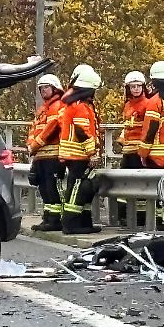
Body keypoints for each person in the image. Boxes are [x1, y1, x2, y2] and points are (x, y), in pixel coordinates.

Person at [57, 67, 103, 235]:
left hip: (73, 154)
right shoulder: (81, 107)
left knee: (81, 187)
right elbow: (81, 131)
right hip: (78, 155)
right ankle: (71, 224)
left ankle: (84, 223)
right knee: (78, 188)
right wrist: (92, 152)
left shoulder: (74, 104)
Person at [25, 74, 65, 232]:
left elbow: (51, 128)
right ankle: (48, 218)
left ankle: (55, 220)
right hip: (40, 155)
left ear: (55, 88)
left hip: (52, 156)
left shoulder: (57, 106)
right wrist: (30, 145)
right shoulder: (43, 109)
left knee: (52, 189)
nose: (43, 91)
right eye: (41, 88)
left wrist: (35, 144)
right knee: (44, 189)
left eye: (46, 87)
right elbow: (34, 129)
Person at [118, 71, 150, 170]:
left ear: (143, 87)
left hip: (139, 150)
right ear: (129, 89)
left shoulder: (148, 103)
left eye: (138, 86)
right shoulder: (127, 105)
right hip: (127, 149)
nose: (136, 89)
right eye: (133, 87)